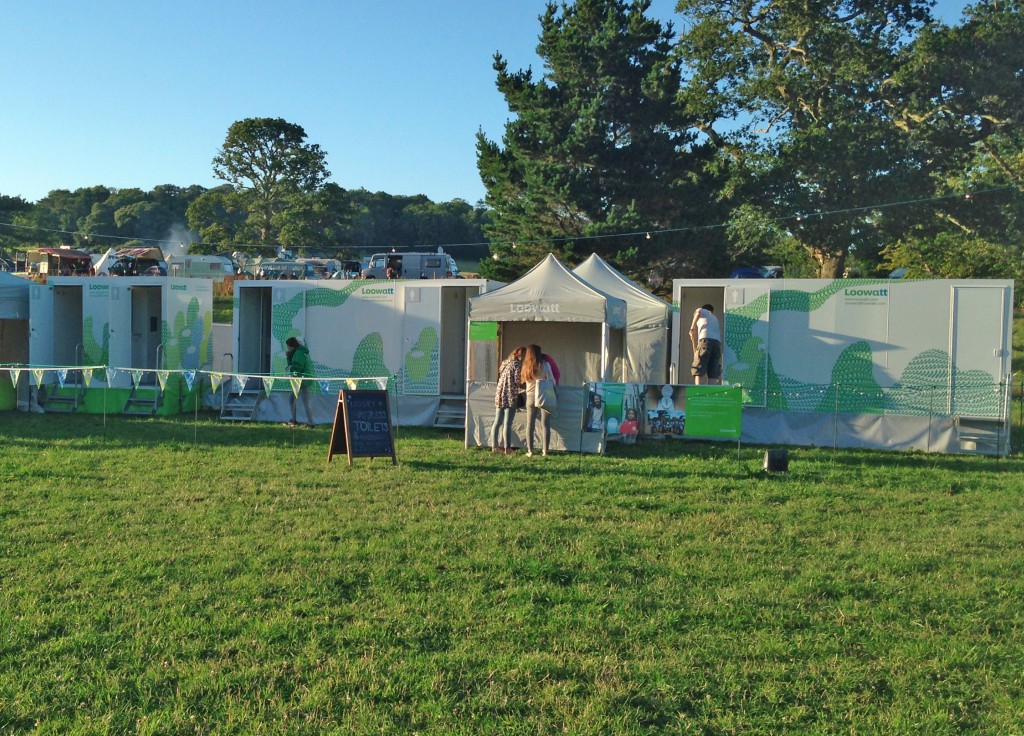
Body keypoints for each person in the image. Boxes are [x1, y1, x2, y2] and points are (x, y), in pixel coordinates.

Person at [521, 344, 556, 457]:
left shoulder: (526, 366)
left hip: (530, 396)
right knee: (545, 424)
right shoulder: (545, 365)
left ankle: (530, 450)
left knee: (530, 424)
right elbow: (552, 381)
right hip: (544, 395)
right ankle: (545, 451)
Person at [490, 346, 524, 454]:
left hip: (500, 394)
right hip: (510, 395)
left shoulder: (505, 362)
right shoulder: (517, 364)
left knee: (497, 421)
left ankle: (494, 446)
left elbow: (500, 373)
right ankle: (507, 448)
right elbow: (518, 381)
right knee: (507, 423)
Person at [284, 336, 315, 428]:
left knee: (305, 402)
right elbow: (292, 363)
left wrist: (291, 369)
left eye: (289, 346)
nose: (288, 348)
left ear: (293, 346)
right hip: (298, 380)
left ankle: (311, 423)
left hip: (303, 380)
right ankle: (294, 420)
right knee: (292, 399)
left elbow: (298, 367)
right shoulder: (296, 353)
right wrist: (289, 357)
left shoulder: (299, 353)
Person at [689, 303, 722, 385]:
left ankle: (698, 387)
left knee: (699, 364)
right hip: (716, 343)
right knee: (713, 367)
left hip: (706, 341)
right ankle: (711, 390)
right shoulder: (714, 318)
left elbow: (698, 312)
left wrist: (692, 328)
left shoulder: (703, 311)